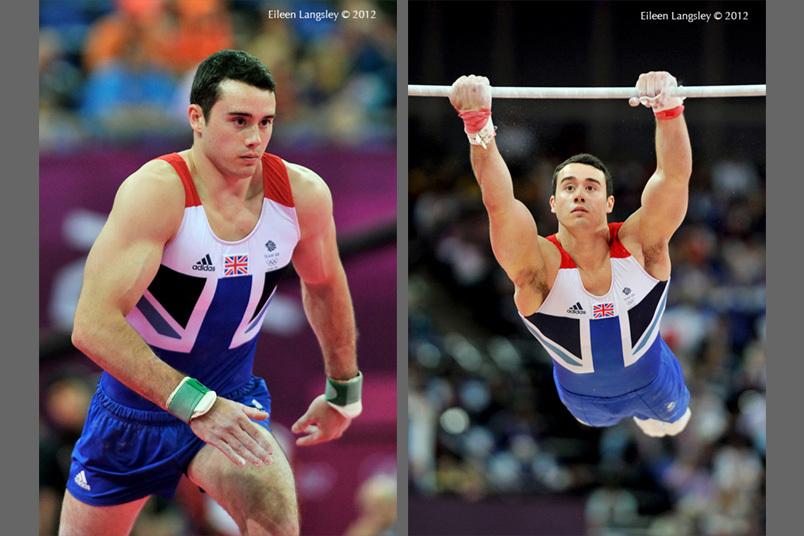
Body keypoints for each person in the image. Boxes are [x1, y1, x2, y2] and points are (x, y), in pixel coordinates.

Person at [59, 49, 363, 536]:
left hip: (232, 403)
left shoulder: (302, 194)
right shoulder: (157, 192)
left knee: (276, 516)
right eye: (239, 121)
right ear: (196, 118)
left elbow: (324, 283)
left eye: (266, 122)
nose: (255, 139)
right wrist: (197, 405)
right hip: (133, 416)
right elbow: (91, 326)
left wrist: (343, 388)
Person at [449, 71, 692, 438]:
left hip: (655, 384)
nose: (579, 194)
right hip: (584, 402)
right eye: (569, 187)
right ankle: (652, 421)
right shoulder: (538, 266)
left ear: (610, 202)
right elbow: (498, 203)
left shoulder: (641, 245)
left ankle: (658, 421)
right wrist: (477, 124)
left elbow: (672, 178)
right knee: (648, 424)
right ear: (553, 203)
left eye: (591, 187)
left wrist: (669, 109)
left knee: (674, 425)